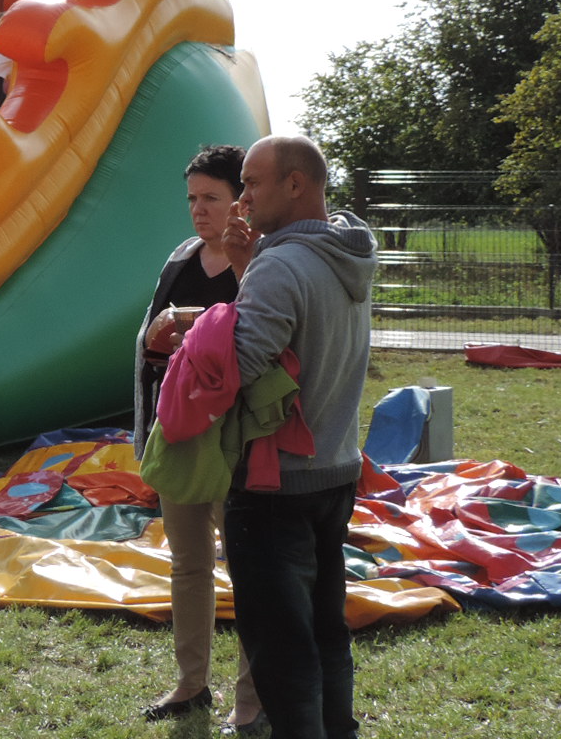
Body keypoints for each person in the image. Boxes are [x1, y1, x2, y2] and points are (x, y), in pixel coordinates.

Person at [220, 136, 376, 739]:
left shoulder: (282, 265)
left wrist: (189, 340)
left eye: (253, 182)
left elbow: (237, 368)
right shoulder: (345, 254)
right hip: (334, 472)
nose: (243, 197)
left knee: (284, 655)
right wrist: (246, 269)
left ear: (295, 184)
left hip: (273, 486)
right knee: (325, 632)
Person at [132, 145, 262, 729]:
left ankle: (251, 701)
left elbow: (259, 339)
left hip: (237, 444)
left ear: (242, 200)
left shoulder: (260, 260)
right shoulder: (181, 257)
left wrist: (187, 323)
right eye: (192, 198)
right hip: (180, 435)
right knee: (188, 565)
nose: (198, 210)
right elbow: (146, 349)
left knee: (249, 572)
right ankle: (190, 685)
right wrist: (147, 435)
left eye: (211, 197)